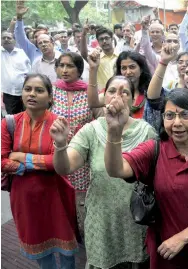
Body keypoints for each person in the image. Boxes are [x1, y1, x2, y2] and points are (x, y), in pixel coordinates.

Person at [104, 88, 188, 269]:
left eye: (185, 115)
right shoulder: (154, 150)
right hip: (164, 253)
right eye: (170, 115)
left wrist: (182, 237)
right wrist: (114, 131)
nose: (177, 122)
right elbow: (116, 169)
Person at [50, 75, 156, 269]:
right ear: (104, 96)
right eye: (112, 91)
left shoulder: (146, 132)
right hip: (102, 217)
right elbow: (64, 167)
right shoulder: (91, 130)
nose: (118, 96)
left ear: (133, 100)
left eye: (125, 92)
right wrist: (60, 144)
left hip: (136, 219)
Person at [1, 74, 78, 268]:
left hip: (56, 194)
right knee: (42, 253)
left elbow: (57, 163)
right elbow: (2, 161)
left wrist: (20, 157)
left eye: (39, 90)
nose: (32, 94)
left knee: (66, 249)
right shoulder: (9, 123)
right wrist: (33, 165)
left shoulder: (59, 124)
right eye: (28, 89)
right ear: (22, 94)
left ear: (50, 97)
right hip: (24, 197)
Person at [51, 52, 99, 240]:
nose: (64, 70)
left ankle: (85, 233)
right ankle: (65, 231)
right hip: (58, 151)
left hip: (83, 155)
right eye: (61, 65)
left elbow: (100, 116)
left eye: (70, 66)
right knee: (60, 196)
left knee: (83, 199)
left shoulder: (89, 91)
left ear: (79, 69)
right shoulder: (52, 90)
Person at [87, 50, 153, 120]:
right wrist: (93, 69)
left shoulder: (150, 92)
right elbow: (92, 103)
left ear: (141, 69)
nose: (128, 72)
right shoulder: (112, 92)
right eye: (124, 68)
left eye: (132, 67)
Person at [1, 31, 30, 115]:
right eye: (3, 38)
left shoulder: (22, 53)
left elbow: (29, 70)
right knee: (12, 118)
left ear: (14, 40)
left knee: (27, 115)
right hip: (8, 94)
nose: (6, 39)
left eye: (9, 38)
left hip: (24, 92)